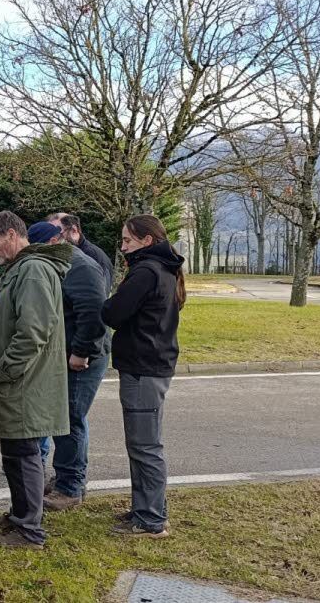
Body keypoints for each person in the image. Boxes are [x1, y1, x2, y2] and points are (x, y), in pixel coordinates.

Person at [0, 211, 70, 551]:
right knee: (15, 453)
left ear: (13, 235)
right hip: (19, 385)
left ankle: (29, 530)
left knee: (25, 454)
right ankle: (20, 516)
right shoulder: (23, 268)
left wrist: (5, 371)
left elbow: (33, 332)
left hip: (23, 385)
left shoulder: (32, 270)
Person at [101, 214, 185, 539]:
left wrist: (104, 304)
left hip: (143, 369)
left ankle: (150, 519)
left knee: (145, 446)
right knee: (141, 444)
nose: (123, 247)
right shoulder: (164, 268)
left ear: (146, 240)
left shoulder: (146, 271)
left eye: (127, 241)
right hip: (151, 366)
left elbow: (113, 312)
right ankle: (145, 510)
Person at [25, 222, 110, 512]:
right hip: (69, 352)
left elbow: (94, 310)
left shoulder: (79, 266)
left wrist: (81, 351)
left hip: (83, 356)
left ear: (51, 242)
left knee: (70, 418)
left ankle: (70, 487)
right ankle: (65, 478)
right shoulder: (66, 263)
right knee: (61, 417)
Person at [47, 212, 114, 289]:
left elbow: (101, 294)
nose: (53, 240)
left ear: (74, 230)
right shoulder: (66, 253)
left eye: (58, 234)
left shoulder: (94, 256)